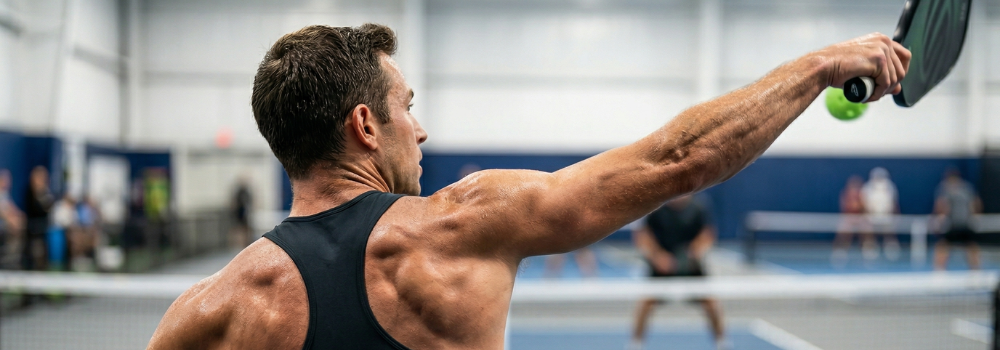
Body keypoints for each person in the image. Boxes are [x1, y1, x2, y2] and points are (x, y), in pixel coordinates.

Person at [148, 24, 909, 349]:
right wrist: (817, 67)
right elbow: (679, 160)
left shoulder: (211, 311)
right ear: (365, 126)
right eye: (407, 106)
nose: (421, 129)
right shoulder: (456, 230)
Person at [629, 195, 724, 350]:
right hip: (661, 269)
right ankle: (636, 345)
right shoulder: (656, 207)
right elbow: (643, 236)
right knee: (645, 303)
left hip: (691, 269)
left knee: (711, 303)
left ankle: (722, 344)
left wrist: (695, 252)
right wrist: (657, 257)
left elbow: (707, 234)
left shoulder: (698, 208)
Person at [933, 170, 982, 270]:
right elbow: (976, 203)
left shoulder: (946, 188)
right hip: (965, 224)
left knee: (943, 245)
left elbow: (942, 205)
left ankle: (939, 270)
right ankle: (976, 270)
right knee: (971, 245)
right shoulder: (968, 188)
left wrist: (939, 219)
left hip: (955, 225)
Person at [861, 167, 901, 261]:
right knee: (866, 226)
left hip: (887, 216)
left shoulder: (890, 187)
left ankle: (890, 246)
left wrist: (895, 217)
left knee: (890, 227)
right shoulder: (866, 188)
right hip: (871, 216)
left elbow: (894, 204)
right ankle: (870, 247)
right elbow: (863, 206)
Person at [831, 175, 872, 267]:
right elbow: (848, 207)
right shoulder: (845, 194)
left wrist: (861, 206)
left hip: (861, 217)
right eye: (853, 186)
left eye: (857, 186)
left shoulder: (863, 194)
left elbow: (863, 207)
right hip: (848, 217)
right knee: (844, 228)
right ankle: (840, 250)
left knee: (867, 227)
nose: (855, 188)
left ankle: (867, 249)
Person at [23, 166, 53, 271]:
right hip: (34, 226)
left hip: (45, 225)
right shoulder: (30, 193)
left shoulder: (46, 192)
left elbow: (49, 208)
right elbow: (37, 210)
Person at [0, 169, 25, 269]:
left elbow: (12, 208)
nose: (7, 183)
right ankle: (7, 261)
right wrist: (11, 220)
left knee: (20, 224)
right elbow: (2, 212)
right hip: (2, 223)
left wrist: (20, 215)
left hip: (6, 224)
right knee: (14, 225)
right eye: (5, 180)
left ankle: (12, 258)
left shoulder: (5, 194)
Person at [230, 177, 254, 248]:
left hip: (245, 214)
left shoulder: (246, 192)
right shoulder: (239, 193)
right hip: (239, 213)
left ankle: (244, 243)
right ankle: (238, 243)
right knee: (239, 229)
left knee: (245, 229)